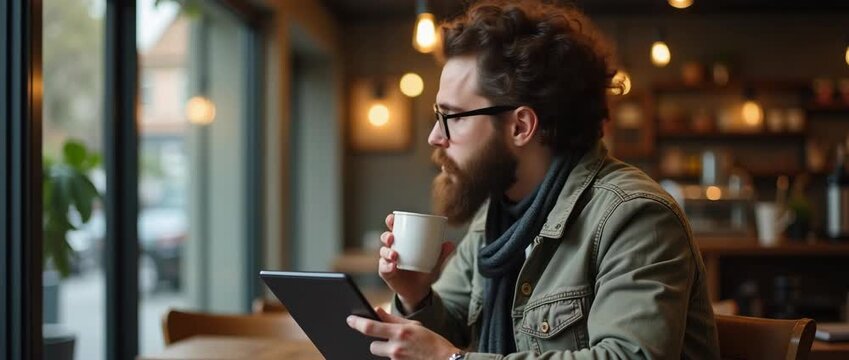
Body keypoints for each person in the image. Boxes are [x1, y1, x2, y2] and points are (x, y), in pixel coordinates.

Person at [347, 1, 719, 359]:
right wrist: (416, 296)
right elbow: (449, 332)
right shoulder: (497, 217)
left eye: (453, 117)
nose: (434, 137)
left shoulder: (633, 216)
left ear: (521, 126)